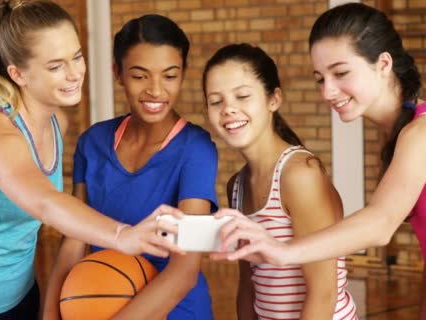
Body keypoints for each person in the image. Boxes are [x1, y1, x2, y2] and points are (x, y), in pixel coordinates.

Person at [0, 1, 184, 319]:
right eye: (55, 66)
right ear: (18, 73)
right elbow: (46, 203)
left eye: (76, 57)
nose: (75, 73)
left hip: (18, 297)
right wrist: (122, 235)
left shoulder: (55, 123)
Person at [213, 2, 425, 316]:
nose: (327, 92)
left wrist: (283, 252)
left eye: (340, 73)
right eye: (320, 78)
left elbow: (380, 225)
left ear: (383, 64)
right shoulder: (399, 135)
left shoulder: (419, 134)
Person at [42, 14, 219, 320]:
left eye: (169, 75)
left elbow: (185, 272)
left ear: (183, 74)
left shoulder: (199, 150)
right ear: (118, 73)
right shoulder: (92, 143)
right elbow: (72, 243)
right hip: (98, 302)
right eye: (140, 76)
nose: (155, 90)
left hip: (175, 310)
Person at [203, 43, 357, 319]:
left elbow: (323, 293)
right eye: (216, 101)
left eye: (242, 96)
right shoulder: (236, 186)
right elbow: (248, 286)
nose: (228, 109)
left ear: (273, 99)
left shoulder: (299, 175)